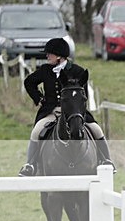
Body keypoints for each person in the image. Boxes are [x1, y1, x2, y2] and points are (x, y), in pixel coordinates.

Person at [19, 37, 114, 176]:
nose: (46, 56)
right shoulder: (45, 70)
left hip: (75, 113)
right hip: (51, 112)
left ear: (59, 56)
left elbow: (83, 97)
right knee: (36, 131)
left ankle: (106, 161)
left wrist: (80, 114)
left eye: (49, 53)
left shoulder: (78, 71)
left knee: (97, 130)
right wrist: (38, 98)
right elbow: (29, 82)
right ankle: (31, 165)